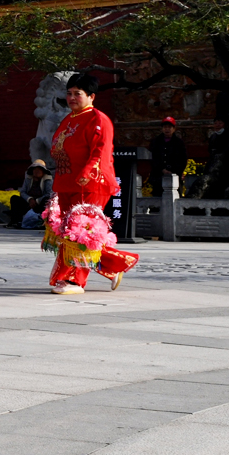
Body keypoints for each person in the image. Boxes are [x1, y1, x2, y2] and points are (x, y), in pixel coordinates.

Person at [47, 73, 139, 295]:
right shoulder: (69, 119)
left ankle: (74, 280)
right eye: (69, 93)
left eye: (77, 93)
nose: (72, 98)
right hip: (67, 182)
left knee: (81, 230)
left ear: (91, 96)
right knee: (69, 232)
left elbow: (101, 150)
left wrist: (88, 172)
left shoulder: (98, 119)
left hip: (90, 183)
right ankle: (113, 265)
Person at [9, 163, 51, 230]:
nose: (37, 171)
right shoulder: (28, 179)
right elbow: (23, 192)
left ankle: (42, 222)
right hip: (29, 203)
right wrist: (30, 199)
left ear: (43, 172)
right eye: (35, 169)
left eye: (39, 170)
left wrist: (37, 201)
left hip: (40, 204)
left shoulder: (48, 180)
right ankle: (16, 221)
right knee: (14, 198)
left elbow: (49, 193)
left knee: (47, 200)